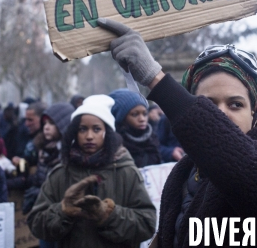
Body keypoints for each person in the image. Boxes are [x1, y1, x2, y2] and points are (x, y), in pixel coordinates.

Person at [97, 18, 257, 247]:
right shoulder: (183, 173)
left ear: (255, 116)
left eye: (235, 104)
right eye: (207, 105)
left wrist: (155, 78)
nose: (221, 114)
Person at [27, 94, 156, 248]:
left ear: (107, 132)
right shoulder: (61, 173)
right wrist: (63, 210)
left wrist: (107, 214)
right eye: (82, 129)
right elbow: (36, 224)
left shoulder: (126, 172)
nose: (89, 136)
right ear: (74, 132)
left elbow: (147, 224)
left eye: (96, 129)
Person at [23, 102, 75, 215]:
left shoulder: (69, 154)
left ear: (63, 125)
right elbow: (39, 179)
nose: (46, 127)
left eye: (52, 123)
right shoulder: (43, 149)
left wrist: (42, 192)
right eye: (45, 123)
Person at [109, 88, 161, 168]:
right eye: (135, 114)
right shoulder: (114, 145)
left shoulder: (153, 140)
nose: (142, 119)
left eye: (144, 114)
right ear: (121, 118)